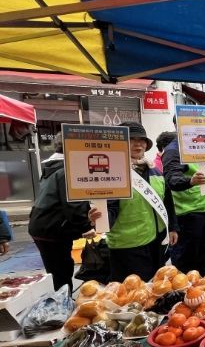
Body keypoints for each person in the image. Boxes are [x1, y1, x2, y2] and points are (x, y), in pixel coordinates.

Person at [88, 122, 178, 282]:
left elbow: (167, 201)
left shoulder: (154, 170)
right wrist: (99, 219)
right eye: (132, 139)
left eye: (142, 140)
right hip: (128, 247)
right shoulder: (112, 174)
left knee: (155, 288)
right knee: (132, 292)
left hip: (156, 243)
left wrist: (172, 228)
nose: (138, 144)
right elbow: (110, 208)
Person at [28, 133, 93, 291]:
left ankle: (62, 299)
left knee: (59, 269)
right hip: (52, 227)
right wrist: (86, 226)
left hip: (44, 225)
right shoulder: (67, 169)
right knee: (61, 271)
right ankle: (63, 303)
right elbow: (73, 202)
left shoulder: (53, 166)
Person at [162, 129, 205, 275]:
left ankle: (203, 288)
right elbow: (171, 179)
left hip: (204, 212)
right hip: (187, 215)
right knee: (186, 265)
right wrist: (190, 181)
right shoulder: (173, 150)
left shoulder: (195, 146)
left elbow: (195, 170)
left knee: (203, 259)